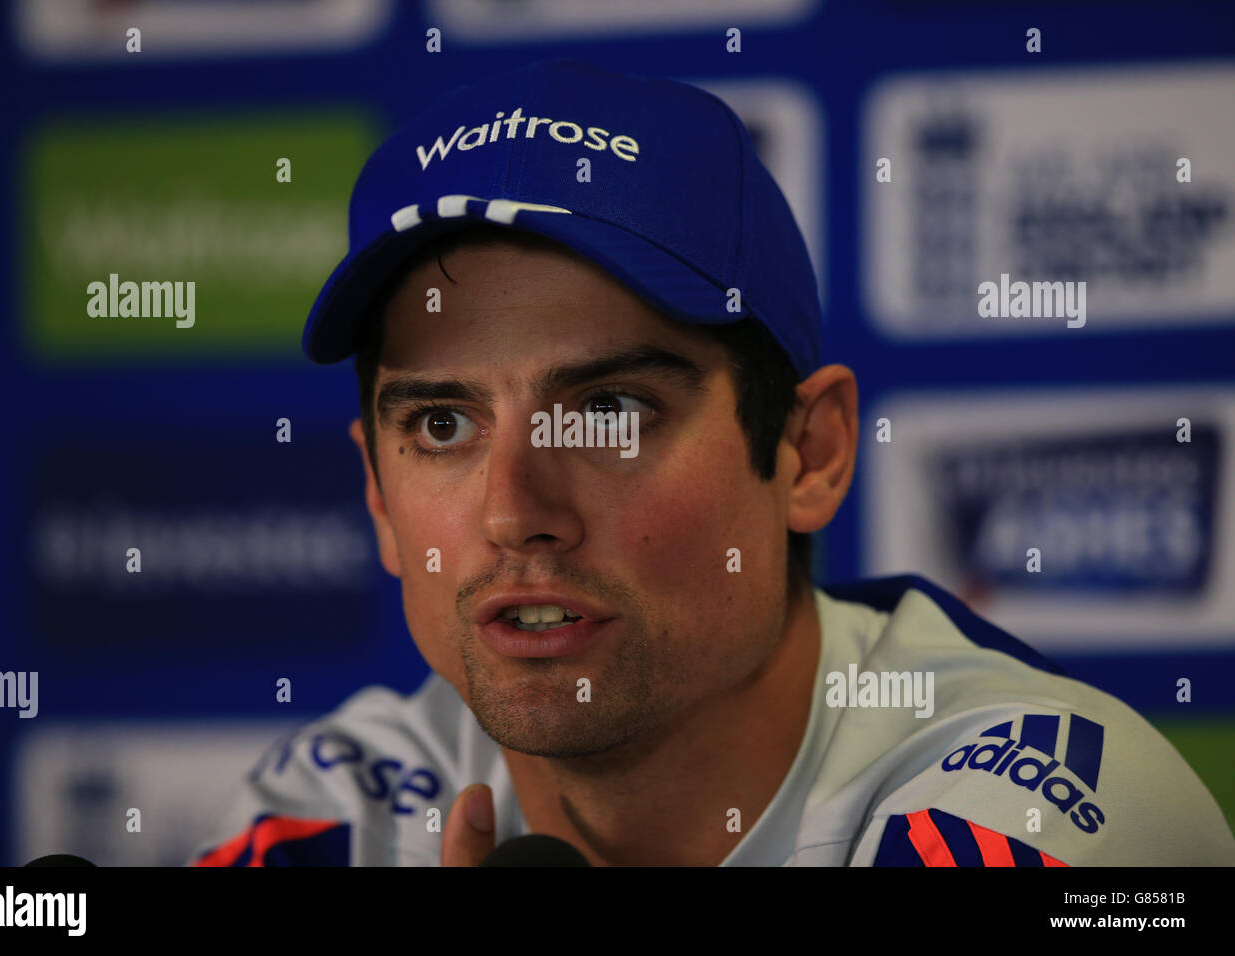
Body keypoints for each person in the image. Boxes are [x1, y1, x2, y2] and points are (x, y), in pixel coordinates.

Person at [191, 58, 1234, 866]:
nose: (514, 509)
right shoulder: (337, 816)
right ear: (377, 493)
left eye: (606, 410)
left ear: (807, 451)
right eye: (442, 426)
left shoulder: (1038, 811)